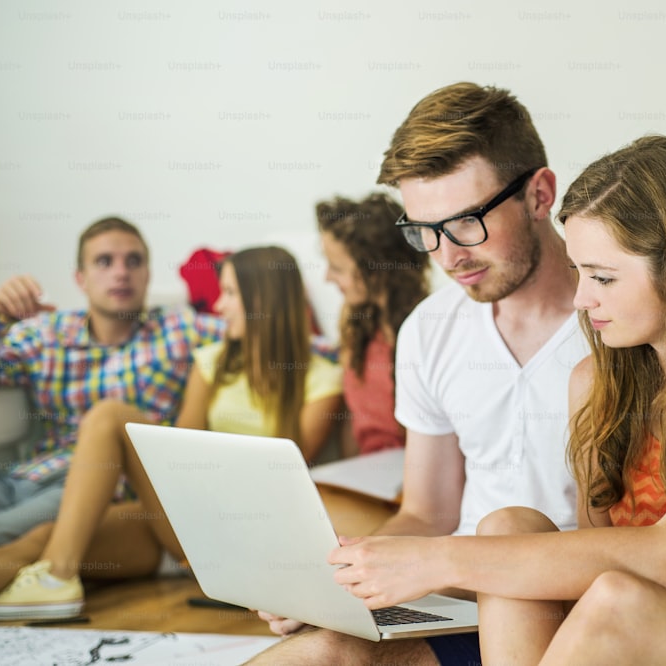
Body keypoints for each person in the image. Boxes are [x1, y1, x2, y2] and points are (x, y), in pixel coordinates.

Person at [323, 135, 666, 664]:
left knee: (618, 604)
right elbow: (600, 559)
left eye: (603, 276)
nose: (582, 299)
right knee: (510, 526)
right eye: (579, 271)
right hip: (642, 650)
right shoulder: (595, 384)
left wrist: (437, 561)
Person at [249, 82, 589, 665]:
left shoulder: (617, 322)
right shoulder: (431, 329)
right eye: (424, 231)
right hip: (462, 596)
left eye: (466, 223)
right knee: (321, 652)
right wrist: (340, 581)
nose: (448, 256)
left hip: (578, 601)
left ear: (540, 194)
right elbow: (428, 513)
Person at [0, 246, 343, 620]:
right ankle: (55, 577)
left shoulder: (322, 380)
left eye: (229, 294)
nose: (219, 307)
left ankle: (56, 578)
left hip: (247, 533)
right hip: (183, 522)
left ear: (264, 299)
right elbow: (180, 456)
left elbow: (287, 481)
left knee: (111, 416)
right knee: (40, 540)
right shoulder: (212, 361)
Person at [0, 217, 224, 546]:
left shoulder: (180, 330)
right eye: (104, 261)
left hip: (91, 492)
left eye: (134, 261)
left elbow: (269, 338)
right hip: (22, 475)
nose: (121, 272)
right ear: (81, 278)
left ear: (147, 274)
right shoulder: (45, 333)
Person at [315, 192, 430, 457]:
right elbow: (354, 420)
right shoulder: (354, 322)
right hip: (365, 474)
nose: (327, 278)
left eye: (337, 268)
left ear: (375, 269)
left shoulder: (425, 331)